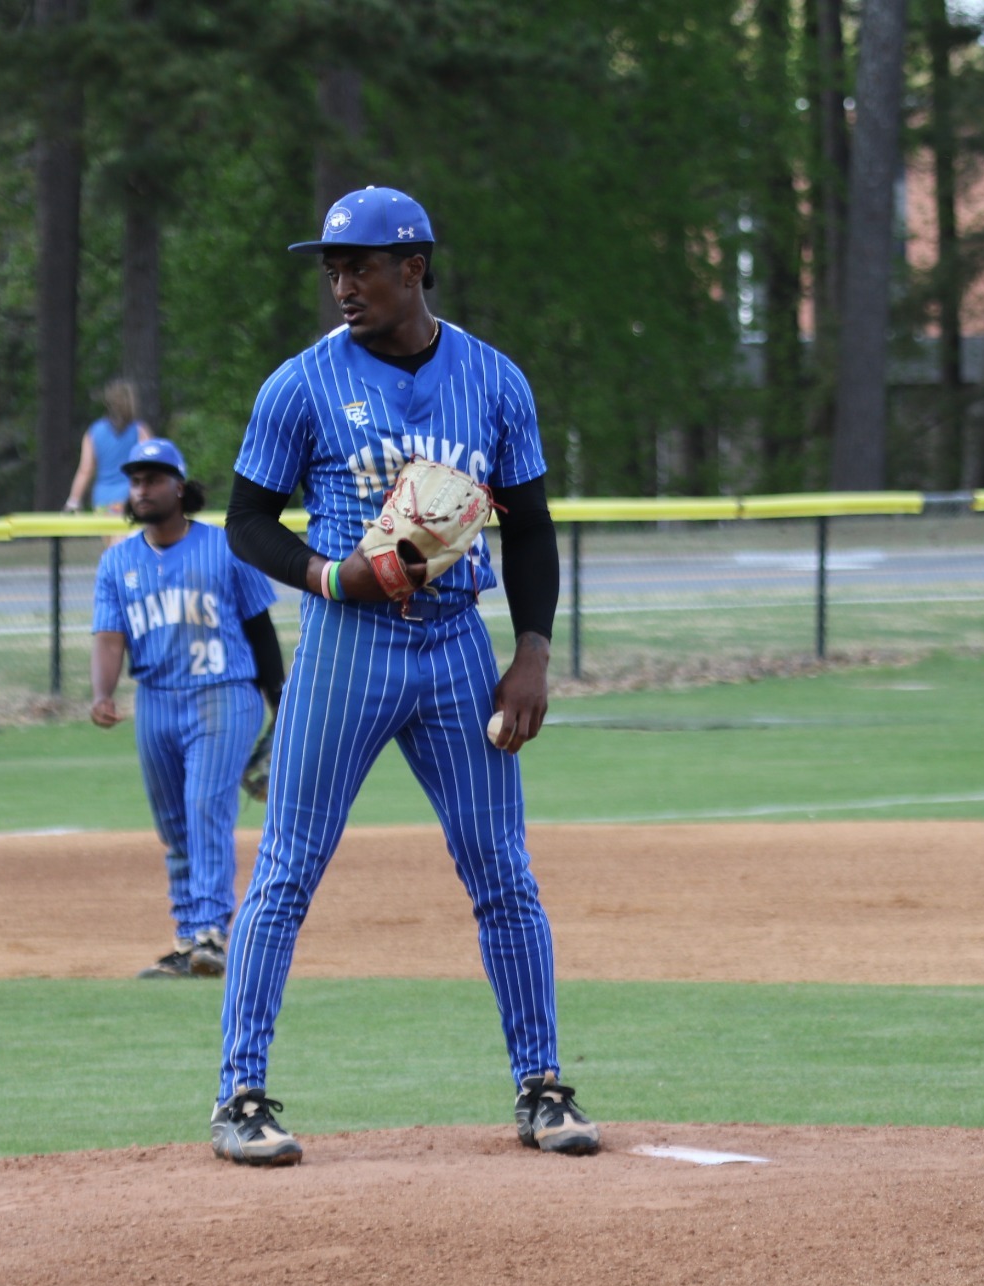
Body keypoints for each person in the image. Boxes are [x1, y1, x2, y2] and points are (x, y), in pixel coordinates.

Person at [208, 186, 598, 1166]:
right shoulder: (298, 385)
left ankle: (541, 1085)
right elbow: (246, 520)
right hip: (348, 643)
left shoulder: (494, 380)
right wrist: (321, 573)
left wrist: (533, 651)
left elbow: (532, 526)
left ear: (414, 264)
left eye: (362, 266)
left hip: (457, 644)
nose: (342, 284)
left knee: (501, 871)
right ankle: (239, 1095)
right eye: (331, 267)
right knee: (288, 867)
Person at [89, 440, 285, 980]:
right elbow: (109, 638)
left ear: (180, 486)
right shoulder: (118, 561)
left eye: (154, 479)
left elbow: (260, 630)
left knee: (205, 809)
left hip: (224, 694)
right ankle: (187, 939)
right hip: (156, 701)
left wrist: (282, 704)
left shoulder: (225, 548)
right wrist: (103, 693)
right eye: (135, 481)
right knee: (175, 825)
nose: (142, 490)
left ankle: (213, 933)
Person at [64, 379, 153, 518]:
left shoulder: (93, 432)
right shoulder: (140, 430)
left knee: (111, 538)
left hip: (102, 498)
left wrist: (74, 500)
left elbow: (85, 470)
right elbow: (151, 465)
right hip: (132, 497)